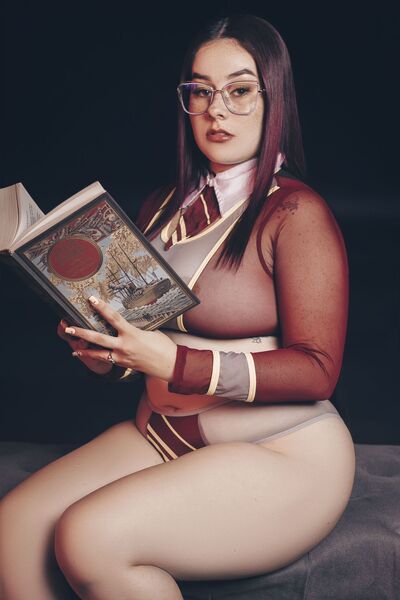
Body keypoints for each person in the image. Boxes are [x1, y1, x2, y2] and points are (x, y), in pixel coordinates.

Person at [0, 13, 356, 600]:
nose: (218, 111)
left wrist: (174, 362)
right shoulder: (164, 206)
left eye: (240, 90)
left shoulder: (295, 213)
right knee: (14, 526)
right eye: (201, 92)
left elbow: (318, 370)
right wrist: (102, 350)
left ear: (273, 98)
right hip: (162, 431)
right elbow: (142, 344)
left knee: (88, 537)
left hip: (282, 448)